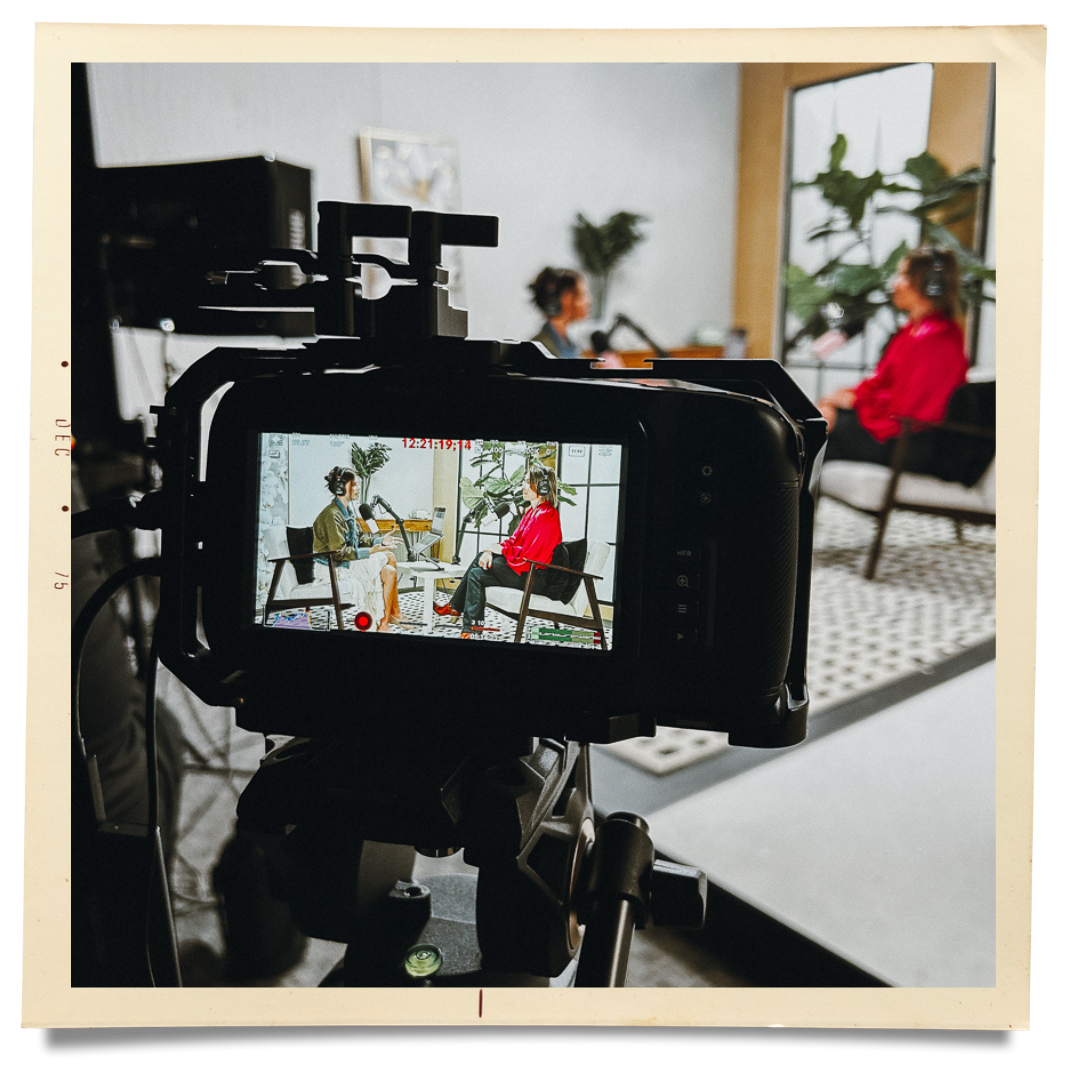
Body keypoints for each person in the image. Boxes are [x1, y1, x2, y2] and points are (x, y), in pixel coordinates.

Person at [817, 246, 969, 471]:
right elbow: (880, 383)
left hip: (909, 443)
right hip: (892, 432)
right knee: (814, 442)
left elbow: (908, 410)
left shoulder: (938, 339)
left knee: (813, 435)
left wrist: (850, 405)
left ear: (925, 282)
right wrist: (839, 399)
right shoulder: (910, 332)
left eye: (904, 276)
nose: (893, 284)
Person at [434, 464, 563, 638]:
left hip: (533, 576)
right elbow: (514, 541)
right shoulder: (530, 513)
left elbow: (529, 555)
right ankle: (471, 630)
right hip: (523, 570)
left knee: (481, 558)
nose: (523, 486)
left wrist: (494, 551)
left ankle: (455, 607)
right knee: (476, 575)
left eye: (527, 481)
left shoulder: (547, 515)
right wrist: (494, 550)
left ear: (542, 486)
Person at [312, 466, 401, 632]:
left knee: (390, 558)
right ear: (340, 488)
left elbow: (360, 539)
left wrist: (381, 540)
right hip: (333, 567)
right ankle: (385, 622)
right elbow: (339, 554)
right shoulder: (332, 515)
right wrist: (373, 551)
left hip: (345, 560)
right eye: (354, 485)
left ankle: (391, 617)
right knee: (389, 567)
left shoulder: (347, 510)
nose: (358, 489)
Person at [529, 267, 591, 358]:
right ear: (566, 298)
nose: (588, 302)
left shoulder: (571, 345)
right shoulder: (538, 349)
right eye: (582, 295)